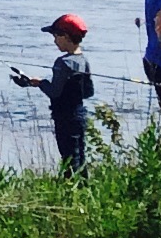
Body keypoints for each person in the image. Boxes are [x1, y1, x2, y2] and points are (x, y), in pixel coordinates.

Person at [11, 13, 98, 175]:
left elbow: (54, 92)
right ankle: (84, 188)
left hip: (64, 118)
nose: (54, 41)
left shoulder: (62, 63)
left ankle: (70, 189)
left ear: (65, 36)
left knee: (68, 157)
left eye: (55, 36)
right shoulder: (83, 60)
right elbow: (88, 92)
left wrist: (40, 83)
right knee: (80, 155)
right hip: (79, 117)